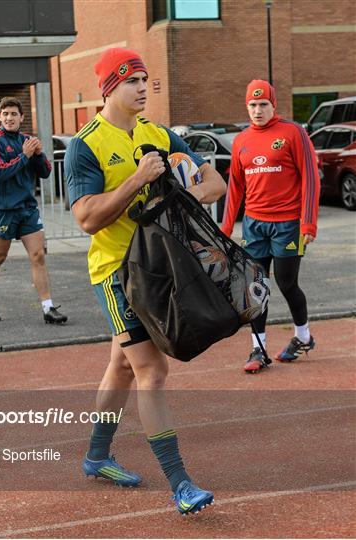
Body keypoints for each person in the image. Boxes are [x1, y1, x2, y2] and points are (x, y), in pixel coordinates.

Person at [64, 47, 227, 514]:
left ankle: (96, 456)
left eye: (145, 80)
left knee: (121, 367)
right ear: (110, 87)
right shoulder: (86, 143)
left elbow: (213, 181)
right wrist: (137, 180)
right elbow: (87, 219)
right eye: (133, 81)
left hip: (160, 266)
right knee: (152, 372)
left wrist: (177, 197)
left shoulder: (159, 134)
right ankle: (181, 484)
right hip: (117, 273)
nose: (143, 88)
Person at [221, 79, 320, 373]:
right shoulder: (241, 140)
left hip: (288, 224)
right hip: (255, 225)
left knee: (287, 283)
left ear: (273, 105)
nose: (257, 110)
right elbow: (235, 189)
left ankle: (303, 337)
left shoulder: (293, 133)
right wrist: (225, 229)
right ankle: (258, 348)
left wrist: (308, 222)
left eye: (263, 104)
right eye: (252, 105)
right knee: (256, 287)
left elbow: (310, 178)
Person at [0, 96, 67, 325]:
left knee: (38, 256)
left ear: (21, 117)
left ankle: (48, 308)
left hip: (28, 208)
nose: (9, 117)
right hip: (4, 209)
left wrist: (37, 154)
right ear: (0, 117)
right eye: (5, 114)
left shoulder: (28, 140)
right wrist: (25, 155)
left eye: (13, 114)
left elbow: (46, 172)